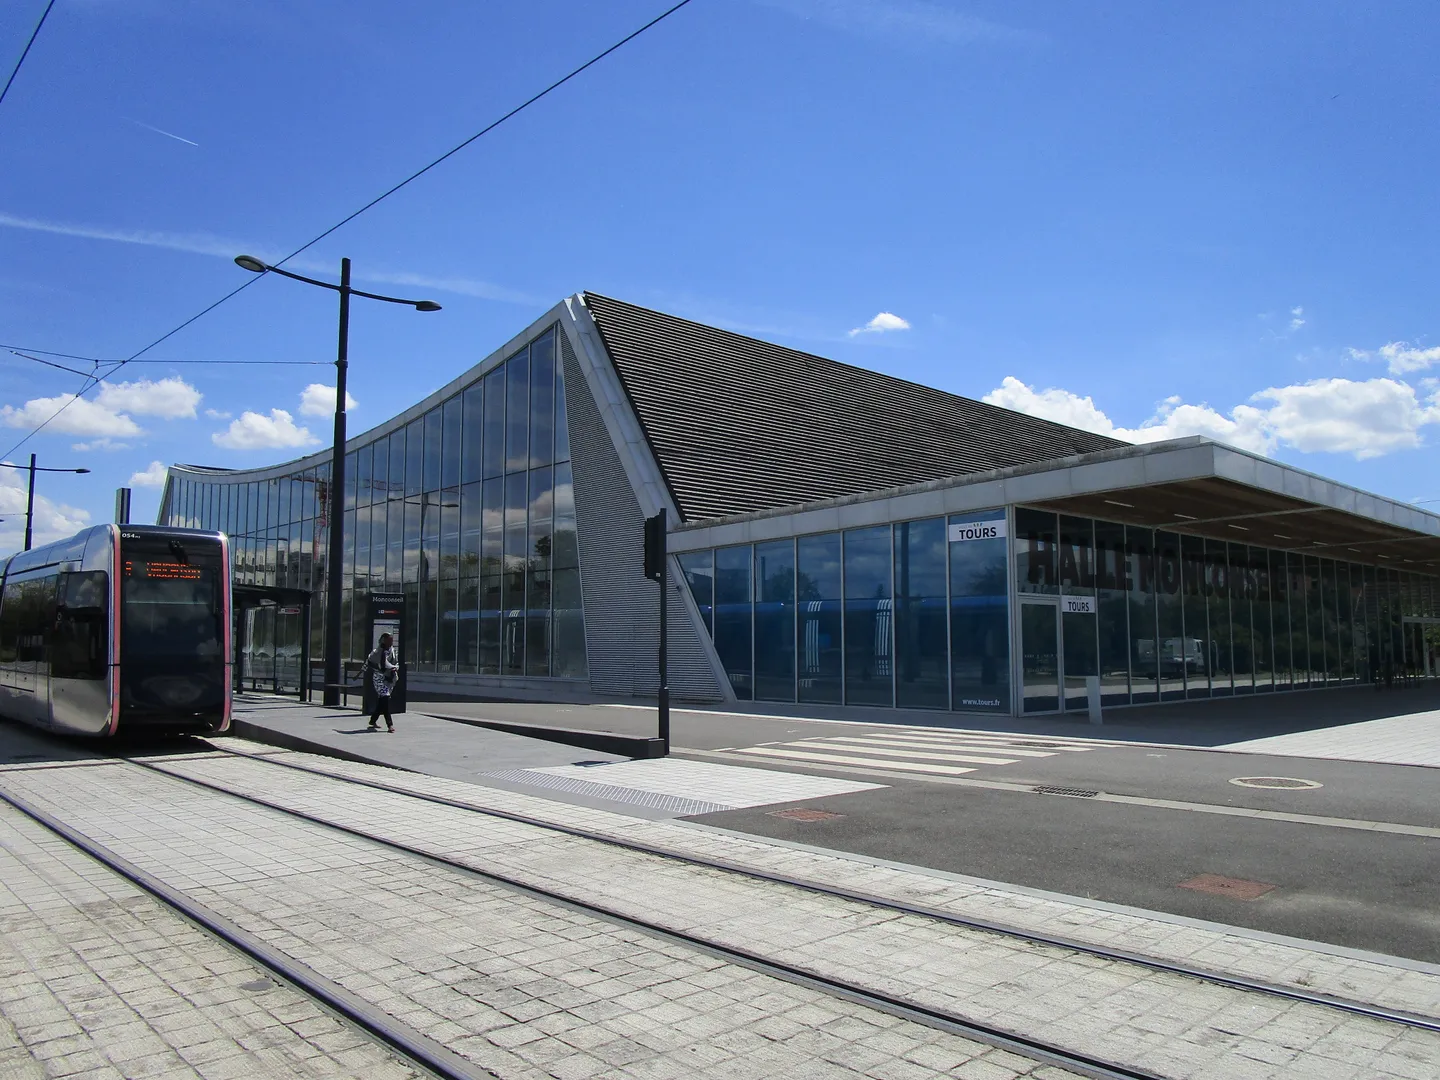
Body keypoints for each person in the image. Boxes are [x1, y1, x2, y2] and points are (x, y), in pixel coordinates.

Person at [366, 633, 399, 732]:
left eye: (391, 640)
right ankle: (390, 725)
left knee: (382, 701)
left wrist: (395, 668)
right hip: (379, 678)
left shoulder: (393, 651)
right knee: (385, 698)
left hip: (390, 678)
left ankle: (373, 720)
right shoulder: (377, 651)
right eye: (388, 640)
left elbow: (396, 662)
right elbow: (371, 661)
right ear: (383, 640)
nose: (391, 642)